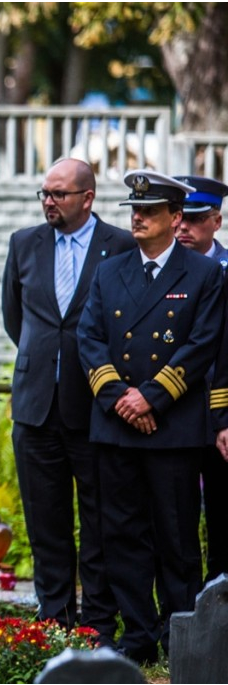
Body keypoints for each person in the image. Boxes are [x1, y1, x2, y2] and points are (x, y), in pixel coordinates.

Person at [78, 170, 223, 664]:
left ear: (175, 217)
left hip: (173, 429)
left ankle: (181, 638)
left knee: (177, 540)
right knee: (122, 537)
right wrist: (122, 398)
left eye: (149, 211)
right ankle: (137, 635)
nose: (137, 218)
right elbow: (89, 338)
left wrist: (152, 397)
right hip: (118, 428)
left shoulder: (204, 275)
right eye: (134, 211)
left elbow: (203, 344)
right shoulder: (109, 270)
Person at [1, 159, 133, 644]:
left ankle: (98, 621)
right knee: (46, 520)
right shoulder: (24, 243)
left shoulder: (119, 244)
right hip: (36, 407)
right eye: (44, 193)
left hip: (96, 405)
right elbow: (18, 321)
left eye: (59, 194)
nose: (49, 202)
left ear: (88, 198)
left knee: (99, 520)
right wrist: (45, 364)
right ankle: (54, 619)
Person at [175, 175, 228, 585]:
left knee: (223, 519)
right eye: (179, 218)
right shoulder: (162, 270)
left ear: (217, 221)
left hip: (220, 414)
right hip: (172, 411)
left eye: (193, 220)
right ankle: (180, 612)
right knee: (174, 517)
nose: (181, 228)